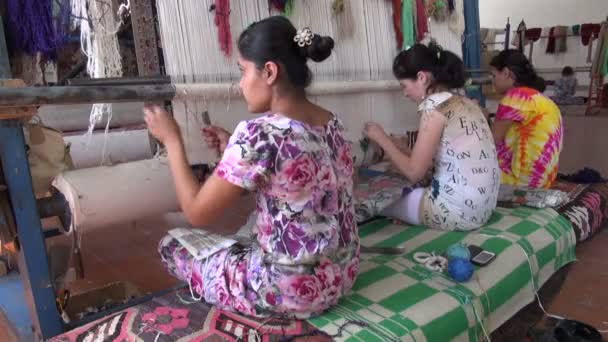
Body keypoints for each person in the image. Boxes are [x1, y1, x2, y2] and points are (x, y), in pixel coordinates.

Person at [143, 16, 359, 319]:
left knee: (172, 244)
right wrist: (233, 147)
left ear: (269, 72)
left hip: (287, 289)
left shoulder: (259, 134)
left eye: (243, 71)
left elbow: (196, 213)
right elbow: (293, 177)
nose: (241, 83)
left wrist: (172, 140)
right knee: (248, 232)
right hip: (342, 275)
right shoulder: (331, 122)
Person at [363, 43, 500, 231]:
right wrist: (401, 148)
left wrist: (381, 138)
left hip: (458, 212)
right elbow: (436, 162)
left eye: (404, 85)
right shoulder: (467, 102)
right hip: (484, 207)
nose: (405, 93)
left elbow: (414, 172)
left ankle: (419, 215)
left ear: (421, 77)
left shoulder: (433, 107)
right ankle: (415, 214)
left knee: (372, 197)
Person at [489, 49, 563, 188]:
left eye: (493, 75)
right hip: (544, 181)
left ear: (506, 73)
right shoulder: (544, 100)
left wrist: (480, 116)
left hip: (521, 183)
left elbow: (490, 142)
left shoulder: (516, 97)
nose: (492, 81)